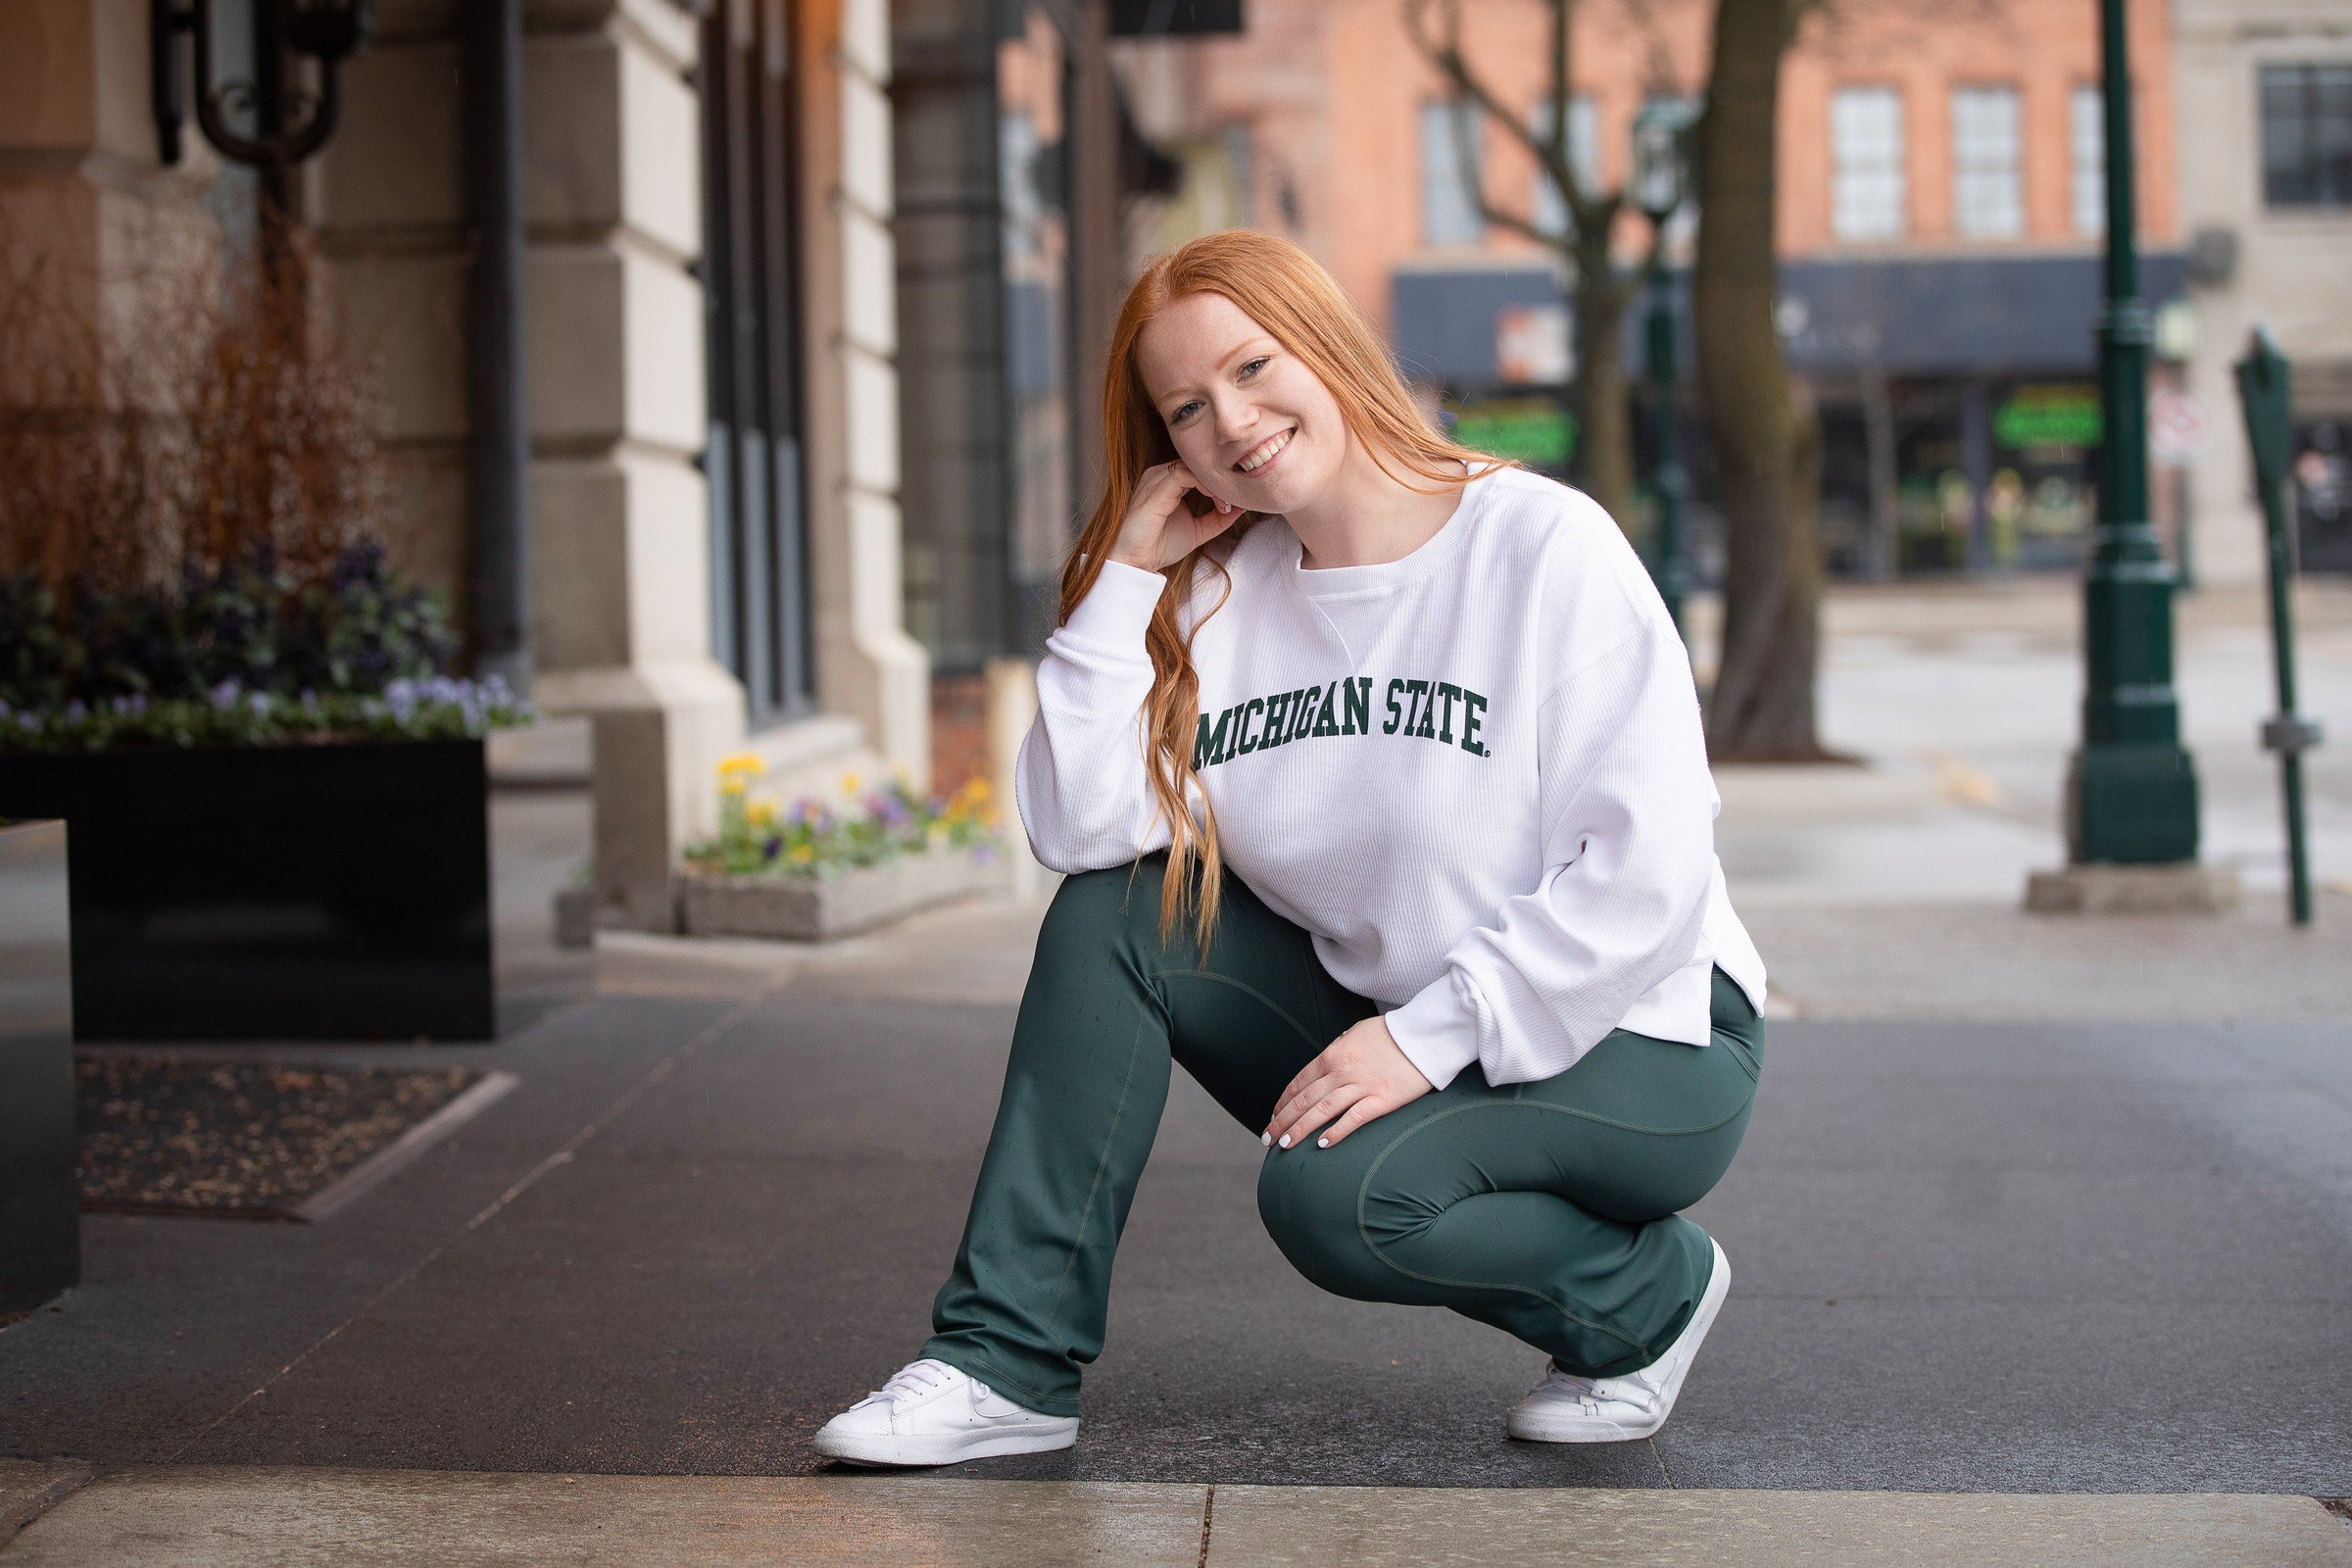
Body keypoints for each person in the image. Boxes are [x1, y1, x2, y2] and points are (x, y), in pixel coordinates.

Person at [813, 228, 1768, 1468]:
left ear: (1325, 342)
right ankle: (1007, 1360)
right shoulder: (1218, 594)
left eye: (1254, 366)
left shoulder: (1540, 546)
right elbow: (1079, 829)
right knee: (1117, 913)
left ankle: (1645, 1298)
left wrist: (1428, 1037)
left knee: (1338, 1196)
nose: (1233, 422)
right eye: (1187, 408)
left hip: (1643, 1036)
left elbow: (1647, 867)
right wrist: (1122, 584)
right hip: (1400, 1017)